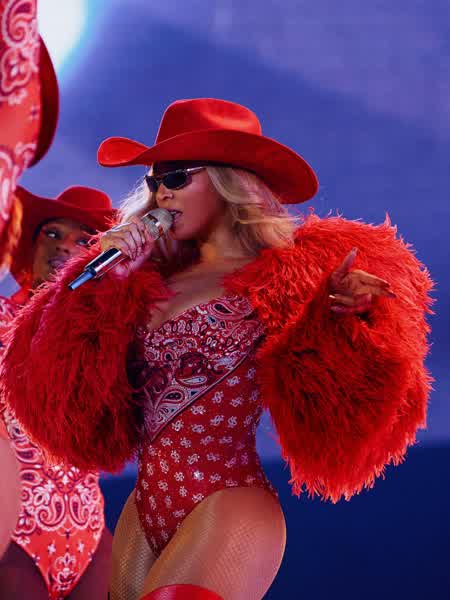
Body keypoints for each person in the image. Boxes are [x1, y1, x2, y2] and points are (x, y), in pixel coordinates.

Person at [1, 98, 433, 600]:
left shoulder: (284, 271)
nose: (162, 192)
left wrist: (345, 315)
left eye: (177, 177)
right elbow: (63, 387)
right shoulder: (146, 278)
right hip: (144, 506)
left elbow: (335, 390)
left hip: (227, 499)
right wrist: (107, 282)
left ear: (229, 181)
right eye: (155, 181)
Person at [0, 185, 115, 599]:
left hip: (90, 536)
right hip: (15, 533)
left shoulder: (108, 337)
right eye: (52, 233)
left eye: (83, 241)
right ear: (30, 247)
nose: (64, 246)